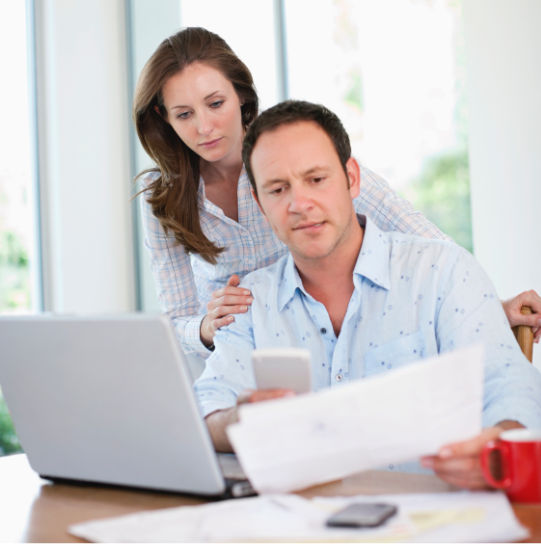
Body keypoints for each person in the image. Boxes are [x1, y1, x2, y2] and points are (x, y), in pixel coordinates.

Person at [133, 27, 541, 361]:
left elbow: (426, 241)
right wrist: (205, 327)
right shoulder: (164, 199)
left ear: (241, 97)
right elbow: (177, 319)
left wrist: (487, 306)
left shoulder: (300, 156)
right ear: (163, 119)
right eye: (184, 114)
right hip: (241, 369)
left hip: (337, 350)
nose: (204, 127)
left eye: (215, 103)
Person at [194, 100, 541, 490]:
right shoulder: (248, 301)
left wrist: (499, 448)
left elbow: (510, 384)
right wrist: (239, 421)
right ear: (260, 204)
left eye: (316, 179)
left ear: (351, 179)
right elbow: (208, 407)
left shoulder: (443, 271)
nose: (299, 204)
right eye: (278, 189)